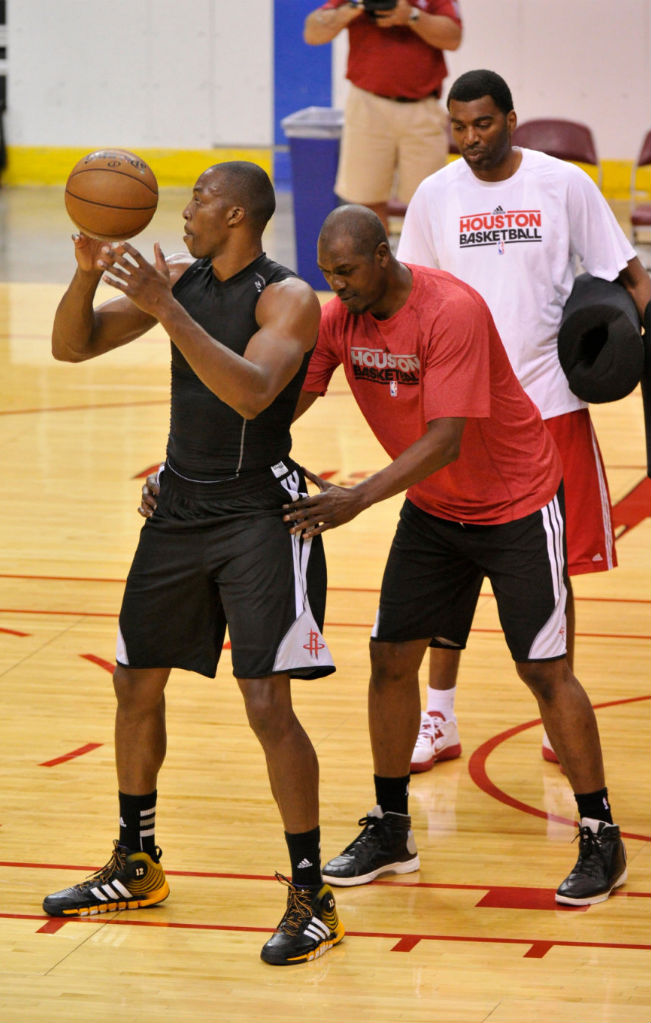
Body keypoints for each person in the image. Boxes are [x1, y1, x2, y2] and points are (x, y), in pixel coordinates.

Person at [42, 161, 345, 967]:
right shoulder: (178, 279)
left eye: (198, 201)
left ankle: (311, 894)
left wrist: (167, 308)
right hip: (179, 508)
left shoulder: (286, 297)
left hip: (257, 514)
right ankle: (135, 860)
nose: (184, 213)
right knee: (134, 680)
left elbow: (251, 391)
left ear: (237, 214)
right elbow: (71, 347)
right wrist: (82, 280)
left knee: (265, 702)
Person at [282, 203, 628, 906]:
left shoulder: (450, 311)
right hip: (434, 512)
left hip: (516, 504)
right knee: (389, 658)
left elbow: (445, 439)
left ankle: (599, 832)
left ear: (382, 256)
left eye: (345, 271)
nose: (336, 285)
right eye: (326, 274)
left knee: (543, 669)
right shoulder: (337, 319)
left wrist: (355, 499)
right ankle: (390, 825)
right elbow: (291, 398)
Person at [396, 69, 651, 773]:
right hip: (460, 413)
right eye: (458, 127)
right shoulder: (433, 196)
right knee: (449, 571)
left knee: (554, 568)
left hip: (549, 406)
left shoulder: (561, 184)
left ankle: (553, 711)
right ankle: (438, 717)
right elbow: (411, 299)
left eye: (482, 124)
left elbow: (627, 273)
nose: (470, 139)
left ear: (511, 119)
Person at [303, 0, 462, 231]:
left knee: (429, 202)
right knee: (366, 201)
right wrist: (356, 6)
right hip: (368, 106)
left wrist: (411, 16)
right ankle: (377, 265)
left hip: (423, 109)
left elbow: (453, 38)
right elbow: (313, 32)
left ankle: (421, 266)